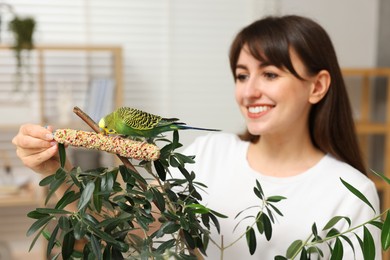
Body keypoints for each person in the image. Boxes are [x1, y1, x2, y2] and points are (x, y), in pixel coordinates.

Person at [12, 15, 382, 259]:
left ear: (317, 86)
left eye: (269, 74)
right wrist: (58, 171)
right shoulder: (207, 153)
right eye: (241, 75)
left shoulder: (348, 191)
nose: (249, 91)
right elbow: (122, 225)